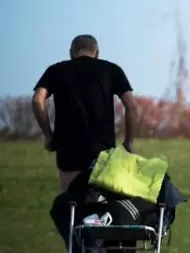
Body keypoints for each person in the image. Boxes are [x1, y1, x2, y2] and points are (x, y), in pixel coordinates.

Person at [31, 34, 138, 193]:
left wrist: (49, 136)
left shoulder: (55, 70)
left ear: (71, 53)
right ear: (97, 53)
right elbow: (132, 106)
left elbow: (37, 100)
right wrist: (128, 142)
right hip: (102, 149)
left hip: (67, 149)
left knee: (70, 201)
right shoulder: (112, 70)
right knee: (101, 203)